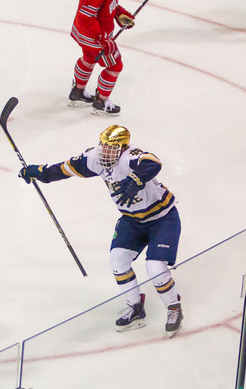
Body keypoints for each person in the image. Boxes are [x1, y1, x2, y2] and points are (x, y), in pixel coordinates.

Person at [20, 125, 183, 336]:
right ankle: (135, 307)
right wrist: (41, 173)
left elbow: (154, 163)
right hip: (132, 220)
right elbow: (67, 168)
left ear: (123, 147)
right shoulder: (95, 158)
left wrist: (135, 180)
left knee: (154, 267)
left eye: (112, 148)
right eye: (104, 146)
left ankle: (174, 307)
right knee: (118, 262)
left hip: (162, 218)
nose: (106, 152)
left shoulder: (130, 157)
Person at [68, 0, 135, 115]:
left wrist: (119, 13)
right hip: (94, 34)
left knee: (89, 58)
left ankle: (78, 91)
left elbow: (104, 5)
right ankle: (101, 101)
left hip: (85, 32)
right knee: (115, 65)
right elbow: (87, 16)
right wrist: (103, 39)